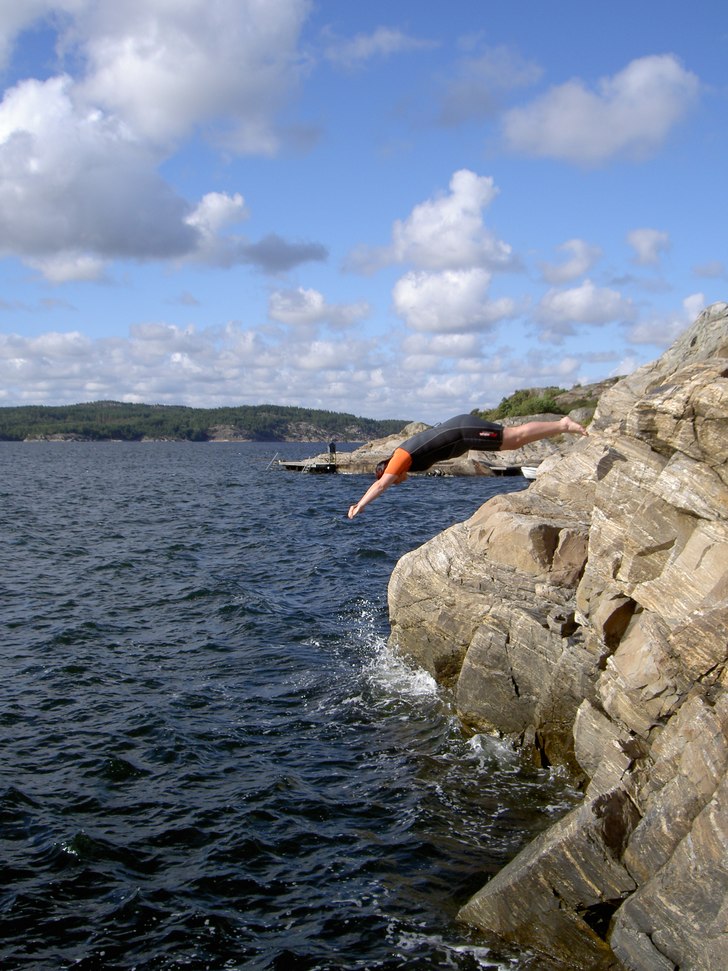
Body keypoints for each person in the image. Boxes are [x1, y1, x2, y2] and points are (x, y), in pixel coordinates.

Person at [347, 413, 587, 519]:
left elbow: (380, 485)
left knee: (513, 437)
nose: (394, 482)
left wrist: (360, 504)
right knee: (512, 443)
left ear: (389, 470)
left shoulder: (400, 457)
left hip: (462, 431)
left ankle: (563, 425)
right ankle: (561, 425)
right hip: (462, 432)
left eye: (392, 478)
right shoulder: (406, 461)